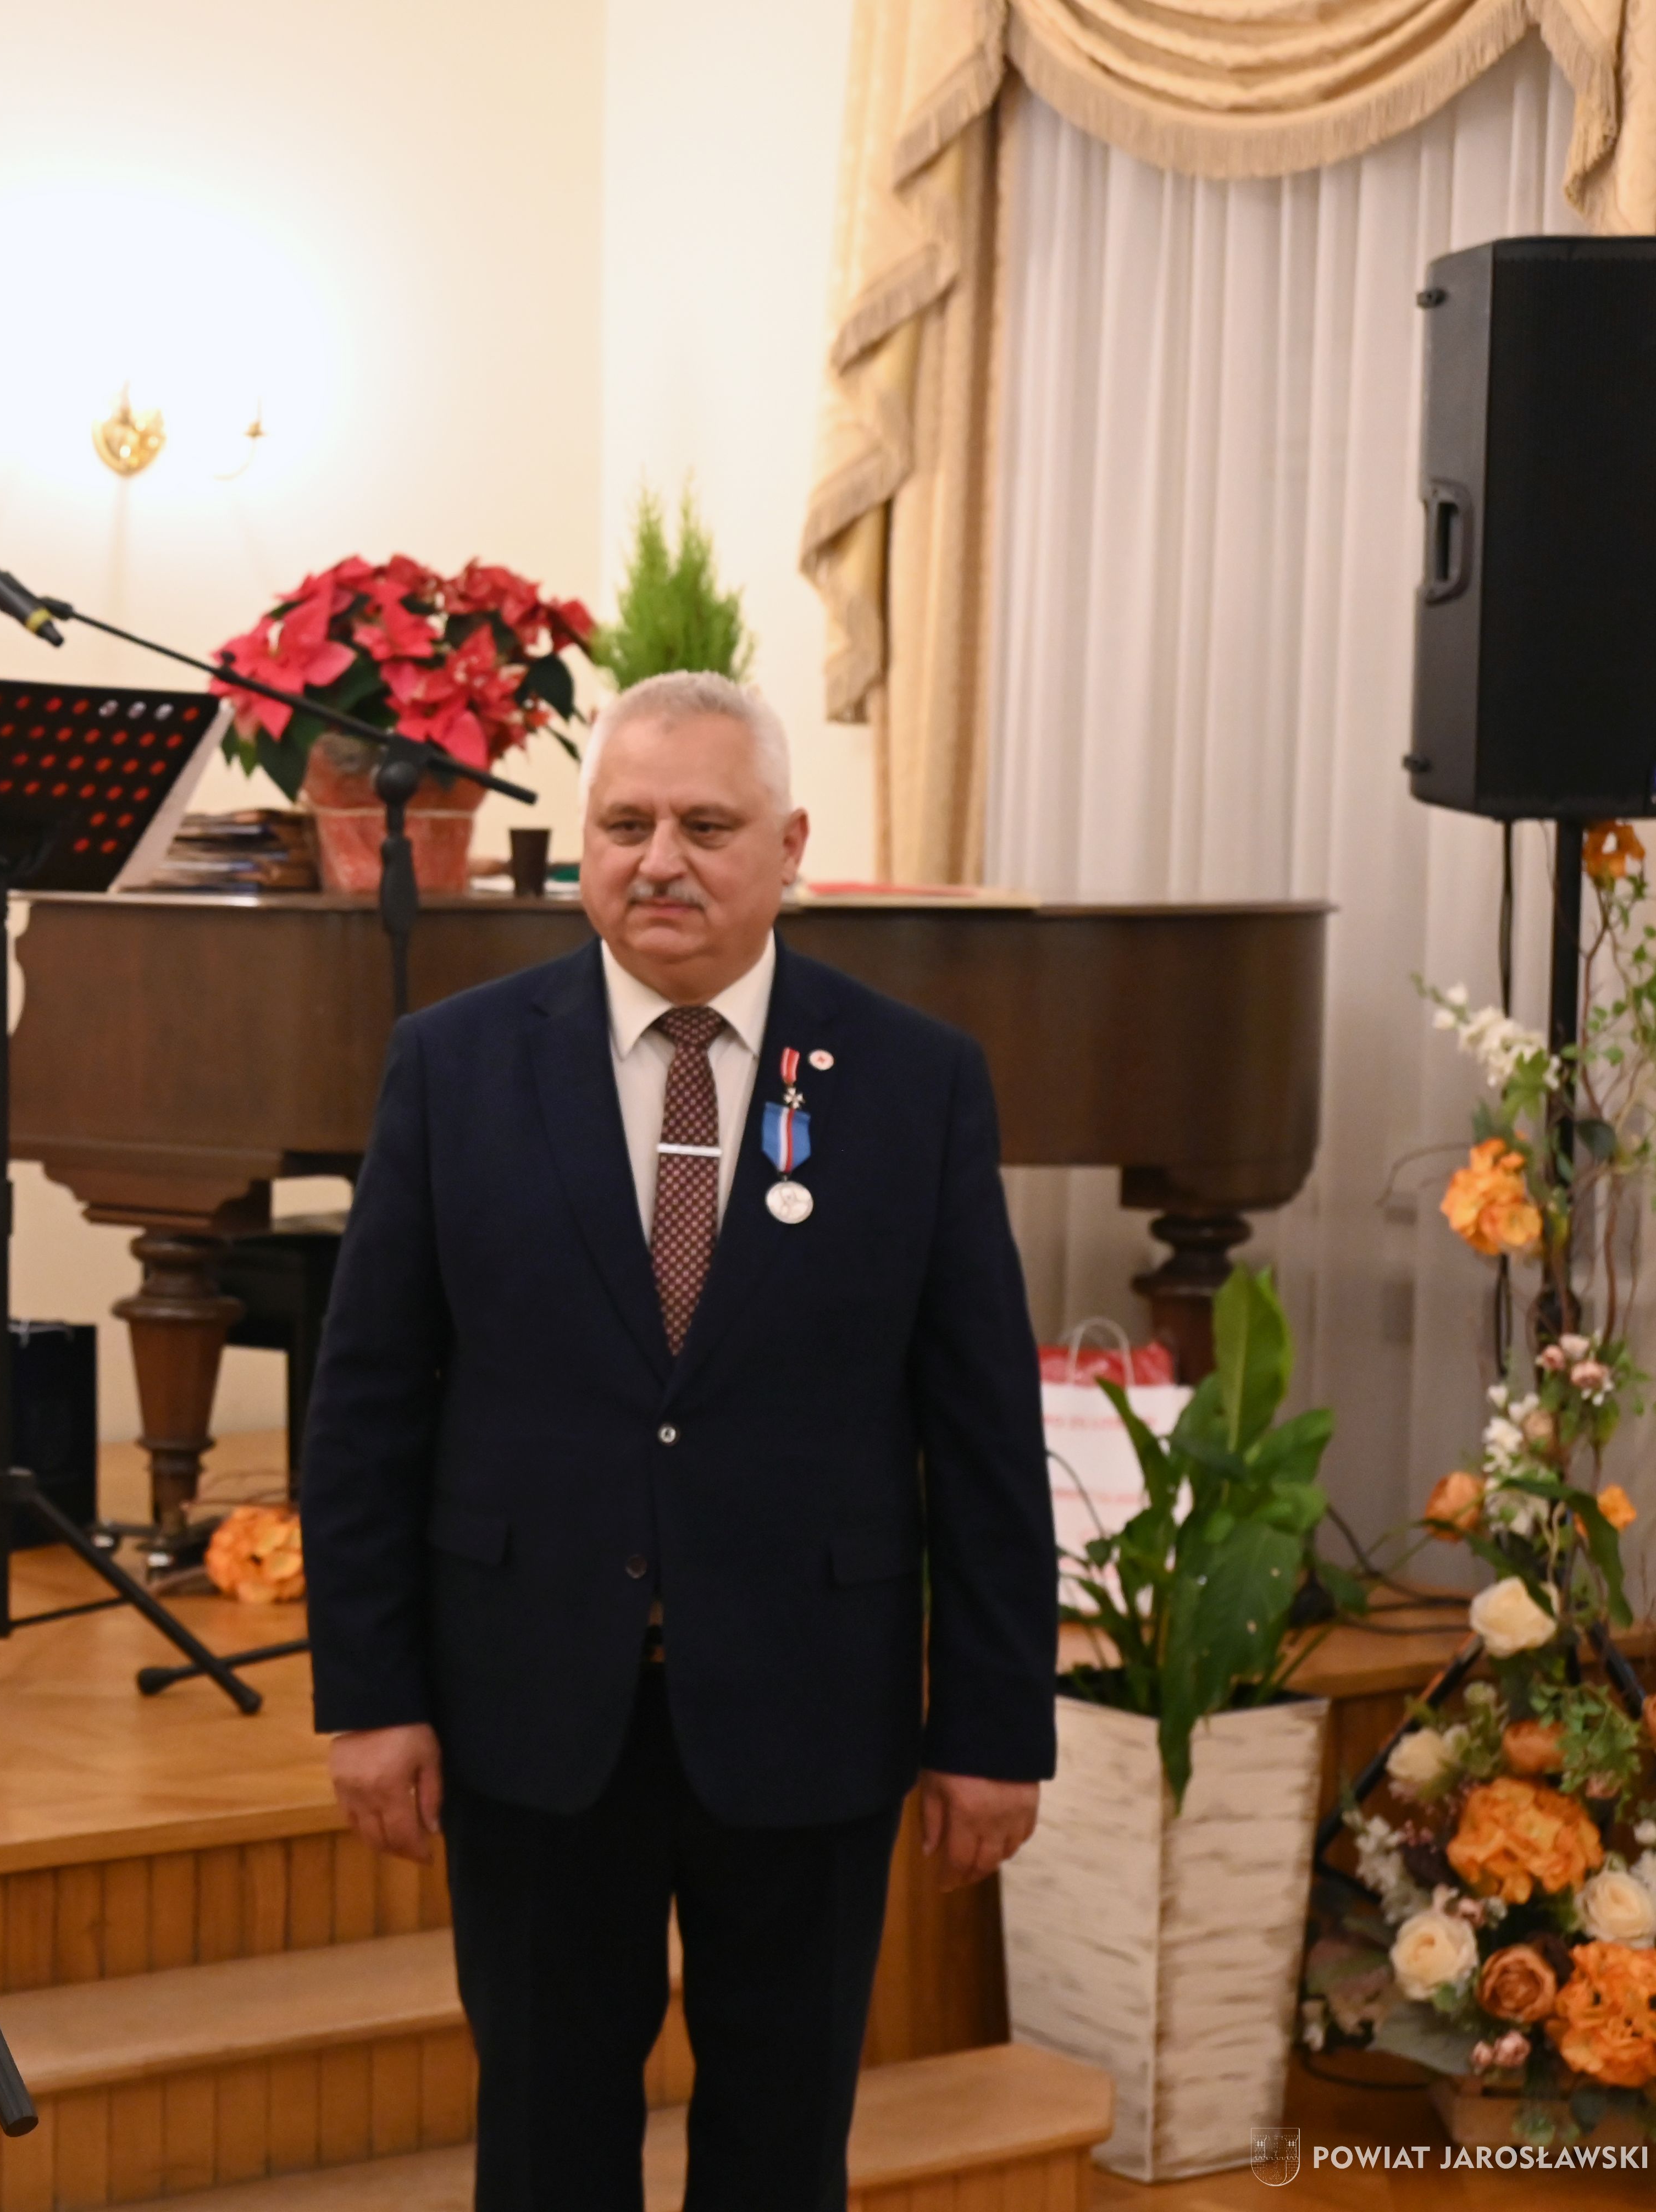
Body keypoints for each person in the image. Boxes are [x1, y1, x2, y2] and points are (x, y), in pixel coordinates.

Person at [300, 671, 1055, 2211]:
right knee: (545, 2146)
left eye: (707, 826)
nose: (661, 861)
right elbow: (366, 1409)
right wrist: (369, 1693)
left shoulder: (915, 1081)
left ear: (790, 846)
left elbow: (983, 1430)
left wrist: (993, 1724)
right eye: (625, 823)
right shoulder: (456, 1065)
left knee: (782, 2149)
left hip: (810, 1705)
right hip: (530, 1706)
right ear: (583, 841)